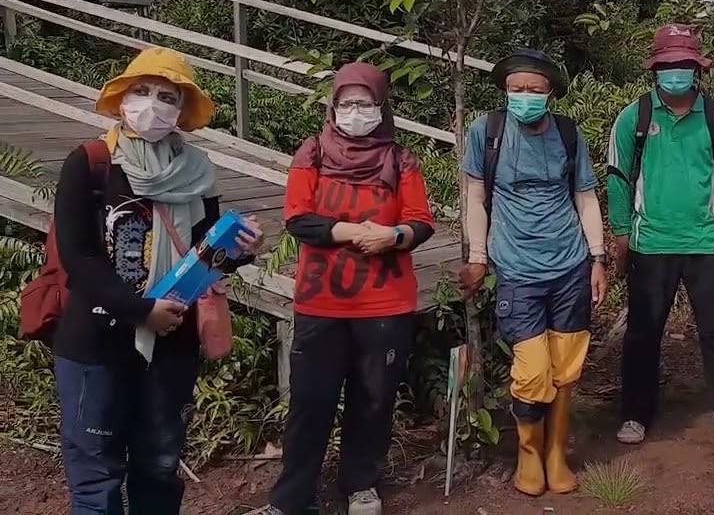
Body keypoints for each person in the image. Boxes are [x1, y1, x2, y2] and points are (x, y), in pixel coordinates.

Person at [52, 46, 266, 515]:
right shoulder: (90, 164)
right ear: (123, 98)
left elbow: (205, 259)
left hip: (170, 346)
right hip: (96, 346)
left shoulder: (198, 173)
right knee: (96, 479)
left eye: (166, 96)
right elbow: (79, 257)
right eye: (142, 91)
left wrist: (239, 252)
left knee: (159, 468)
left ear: (181, 111)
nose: (152, 103)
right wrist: (139, 311)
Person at [267, 62, 436, 515]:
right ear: (333, 106)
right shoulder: (312, 154)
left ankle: (361, 483)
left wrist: (392, 237)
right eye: (347, 103)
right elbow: (298, 218)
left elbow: (421, 222)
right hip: (322, 301)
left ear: (382, 107)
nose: (355, 112)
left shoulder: (401, 160)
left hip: (385, 302)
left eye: (366, 103)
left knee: (374, 399)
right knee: (310, 402)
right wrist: (352, 231)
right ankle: (292, 497)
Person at [457, 48, 607, 497]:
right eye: (516, 89)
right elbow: (475, 198)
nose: (524, 96)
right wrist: (479, 257)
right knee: (533, 368)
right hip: (517, 268)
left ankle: (555, 452)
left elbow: (585, 197)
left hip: (569, 264)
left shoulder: (566, 132)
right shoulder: (488, 131)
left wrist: (597, 259)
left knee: (568, 366)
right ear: (505, 91)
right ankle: (527, 452)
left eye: (534, 90)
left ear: (550, 94)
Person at [606, 23, 714, 445]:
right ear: (654, 70)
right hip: (650, 242)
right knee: (644, 331)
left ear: (698, 69)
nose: (676, 72)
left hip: (705, 241)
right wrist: (622, 232)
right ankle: (636, 414)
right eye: (668, 65)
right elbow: (618, 178)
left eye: (684, 65)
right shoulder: (634, 117)